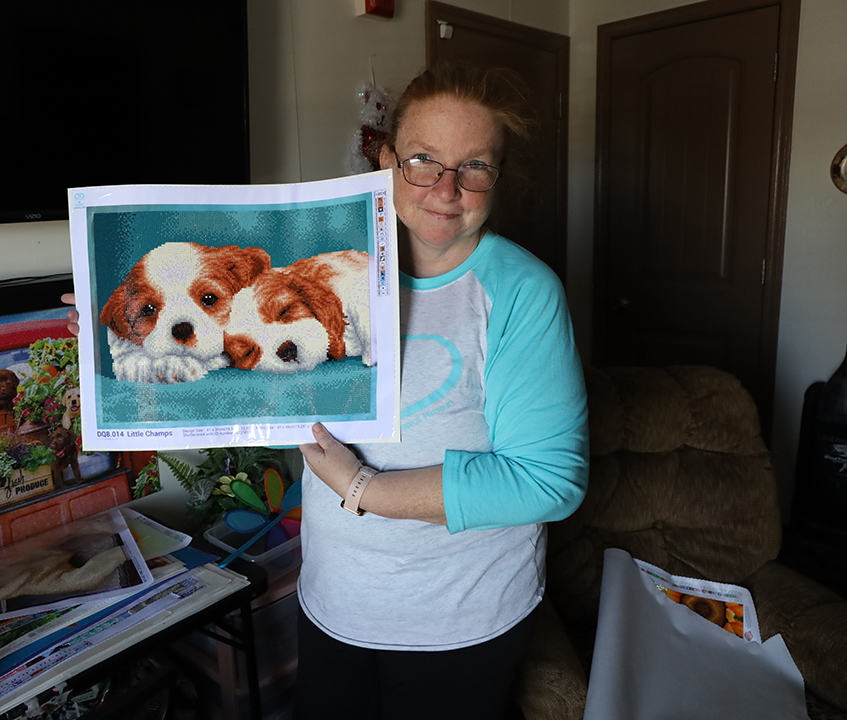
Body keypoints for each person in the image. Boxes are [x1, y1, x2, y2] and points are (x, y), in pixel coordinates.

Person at [63, 62, 589, 720]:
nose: (444, 190)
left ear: (498, 176)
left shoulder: (519, 291)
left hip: (459, 621)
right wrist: (124, 342)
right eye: (423, 160)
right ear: (389, 160)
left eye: (474, 166)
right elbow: (224, 355)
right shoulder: (333, 266)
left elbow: (548, 482)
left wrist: (364, 489)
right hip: (335, 603)